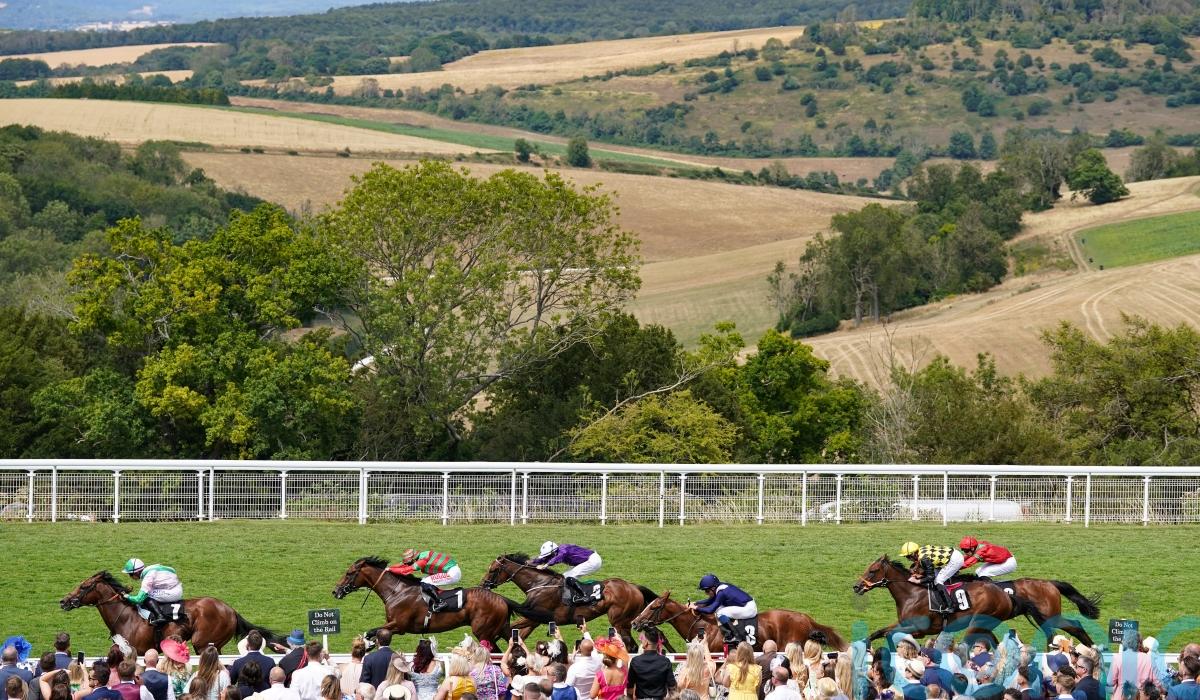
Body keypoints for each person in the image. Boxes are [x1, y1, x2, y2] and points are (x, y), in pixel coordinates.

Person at [690, 575, 757, 644]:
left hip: (749, 609)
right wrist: (696, 603)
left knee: (720, 612)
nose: (706, 593)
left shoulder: (722, 593)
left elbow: (710, 610)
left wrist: (696, 608)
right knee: (719, 608)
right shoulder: (720, 587)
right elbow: (710, 600)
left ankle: (736, 636)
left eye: (707, 591)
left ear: (713, 588)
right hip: (747, 604)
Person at [899, 543, 963, 614]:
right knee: (936, 576)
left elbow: (931, 577)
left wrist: (918, 581)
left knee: (938, 580)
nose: (908, 559)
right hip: (953, 555)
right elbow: (930, 571)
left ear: (913, 554)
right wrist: (920, 576)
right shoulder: (920, 552)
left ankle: (951, 606)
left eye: (908, 556)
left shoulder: (924, 559)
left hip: (955, 560)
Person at [389, 550, 462, 613]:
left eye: (409, 563)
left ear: (413, 560)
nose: (407, 564)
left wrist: (390, 570)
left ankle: (440, 602)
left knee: (425, 582)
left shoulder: (422, 561)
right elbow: (403, 565)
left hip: (452, 573)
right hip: (450, 569)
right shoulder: (420, 556)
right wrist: (389, 568)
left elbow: (406, 570)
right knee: (423, 580)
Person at [530, 543, 603, 604]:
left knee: (568, 577)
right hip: (586, 561)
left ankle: (585, 596)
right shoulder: (556, 552)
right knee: (564, 577)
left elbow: (557, 558)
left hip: (593, 560)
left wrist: (545, 566)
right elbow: (545, 558)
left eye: (550, 555)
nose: (549, 557)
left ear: (554, 552)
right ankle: (574, 594)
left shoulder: (563, 549)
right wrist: (531, 562)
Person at [122, 559, 184, 626]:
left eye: (130, 574)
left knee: (146, 596)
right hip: (176, 588)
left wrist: (127, 596)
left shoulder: (148, 577)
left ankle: (160, 616)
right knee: (149, 592)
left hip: (173, 592)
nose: (130, 577)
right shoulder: (152, 569)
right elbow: (172, 570)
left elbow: (138, 599)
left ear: (137, 572)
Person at [628, 629, 674, 700]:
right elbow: (672, 686)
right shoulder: (665, 661)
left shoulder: (635, 661)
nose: (641, 642)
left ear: (646, 642)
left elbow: (630, 687)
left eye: (642, 640)